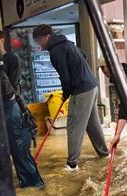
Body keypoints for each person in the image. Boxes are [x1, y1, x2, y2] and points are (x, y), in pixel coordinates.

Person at [32, 24, 108, 171]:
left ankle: (72, 164)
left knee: (73, 125)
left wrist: (65, 93)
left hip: (81, 89)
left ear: (48, 36)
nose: (39, 44)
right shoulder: (67, 43)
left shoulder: (56, 51)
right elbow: (83, 54)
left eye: (39, 40)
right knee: (92, 124)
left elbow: (64, 77)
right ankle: (104, 154)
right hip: (91, 85)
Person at [0, 54, 44, 188]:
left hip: (9, 106)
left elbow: (10, 89)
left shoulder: (8, 59)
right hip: (5, 106)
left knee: (20, 152)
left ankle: (34, 188)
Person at [0, 29, 38, 146]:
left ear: (2, 39)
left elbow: (13, 83)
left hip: (11, 103)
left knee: (17, 142)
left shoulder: (11, 59)